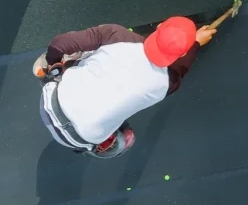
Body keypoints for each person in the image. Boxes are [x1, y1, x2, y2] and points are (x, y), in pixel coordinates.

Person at [35, 17, 217, 159]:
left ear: (160, 26)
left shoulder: (116, 35)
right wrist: (196, 44)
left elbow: (59, 43)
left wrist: (53, 63)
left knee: (87, 51)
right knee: (123, 127)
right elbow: (180, 67)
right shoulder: (168, 83)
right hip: (79, 140)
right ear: (183, 53)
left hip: (49, 103)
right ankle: (107, 142)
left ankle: (62, 65)